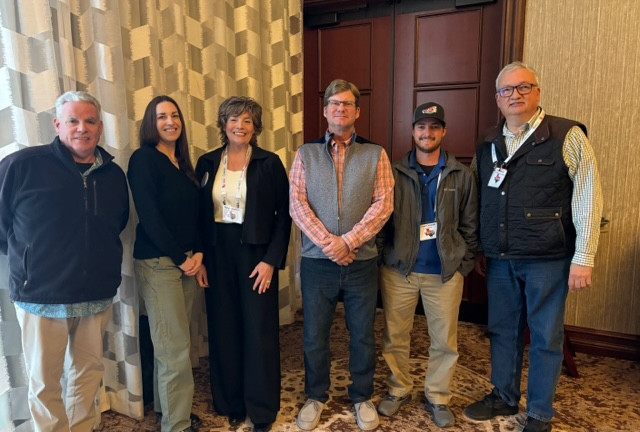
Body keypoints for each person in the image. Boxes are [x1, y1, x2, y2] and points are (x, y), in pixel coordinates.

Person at [463, 62, 603, 432]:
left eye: (524, 87)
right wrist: (480, 247)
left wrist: (583, 257)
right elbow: (481, 197)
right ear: (497, 98)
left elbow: (588, 196)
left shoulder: (567, 134)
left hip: (548, 258)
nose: (515, 95)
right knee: (502, 331)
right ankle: (504, 396)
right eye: (507, 90)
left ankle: (540, 413)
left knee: (544, 337)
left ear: (538, 92)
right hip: (500, 258)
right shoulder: (488, 141)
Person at [0, 91, 129, 432]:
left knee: (88, 377)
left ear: (100, 127)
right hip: (41, 296)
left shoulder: (113, 174)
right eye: (72, 120)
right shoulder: (22, 165)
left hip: (95, 293)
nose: (81, 128)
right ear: (57, 124)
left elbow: (116, 223)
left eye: (89, 121)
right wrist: (30, 263)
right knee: (45, 383)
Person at [290, 79, 394, 431]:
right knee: (314, 334)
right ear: (325, 111)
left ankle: (362, 396)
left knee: (362, 333)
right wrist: (329, 244)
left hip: (361, 262)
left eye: (347, 104)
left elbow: (383, 204)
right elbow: (297, 205)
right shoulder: (305, 154)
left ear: (357, 111)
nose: (340, 109)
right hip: (317, 262)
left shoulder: (375, 154)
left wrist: (348, 241)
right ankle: (315, 395)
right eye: (334, 103)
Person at [376, 102, 477, 428]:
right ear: (412, 131)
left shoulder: (461, 174)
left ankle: (437, 395)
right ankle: (398, 389)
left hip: (444, 273)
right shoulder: (393, 171)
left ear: (443, 131)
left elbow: (471, 224)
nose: (427, 132)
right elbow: (380, 219)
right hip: (399, 271)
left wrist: (463, 263)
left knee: (445, 340)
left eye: (434, 127)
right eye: (422, 126)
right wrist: (383, 256)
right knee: (395, 336)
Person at [196, 96, 291, 432]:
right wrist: (201, 258)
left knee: (259, 331)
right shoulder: (207, 162)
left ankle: (262, 408)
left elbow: (284, 218)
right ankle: (231, 402)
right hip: (217, 253)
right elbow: (198, 216)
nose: (240, 126)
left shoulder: (269, 163)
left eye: (248, 121)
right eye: (234, 119)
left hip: (255, 255)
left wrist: (270, 262)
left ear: (256, 127)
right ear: (223, 125)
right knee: (224, 328)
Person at [127, 95, 204, 432]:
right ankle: (177, 425)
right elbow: (151, 217)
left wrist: (198, 254)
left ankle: (169, 411)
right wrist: (181, 258)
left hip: (187, 261)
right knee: (174, 348)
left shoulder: (184, 164)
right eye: (161, 117)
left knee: (172, 344)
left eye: (175, 115)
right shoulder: (143, 160)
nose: (170, 121)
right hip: (160, 263)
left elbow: (199, 215)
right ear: (151, 123)